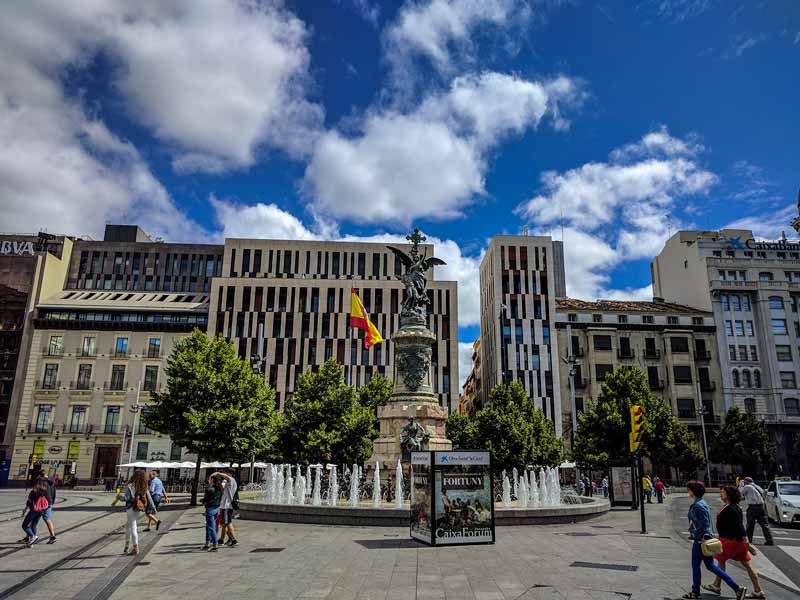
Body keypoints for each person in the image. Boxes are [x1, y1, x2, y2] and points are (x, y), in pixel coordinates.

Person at [683, 480, 747, 600]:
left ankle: (695, 592)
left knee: (696, 566)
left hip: (701, 539)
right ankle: (737, 588)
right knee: (711, 566)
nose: (688, 491)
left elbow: (704, 523)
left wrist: (696, 534)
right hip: (704, 537)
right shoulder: (701, 503)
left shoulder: (698, 505)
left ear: (693, 491)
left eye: (689, 489)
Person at [704, 486, 765, 599]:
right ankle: (758, 590)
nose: (721, 494)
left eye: (723, 493)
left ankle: (717, 585)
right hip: (734, 541)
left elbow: (739, 526)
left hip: (730, 541)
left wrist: (745, 540)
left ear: (729, 495)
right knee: (746, 565)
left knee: (721, 561)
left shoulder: (732, 508)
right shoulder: (732, 507)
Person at [118, 470, 155, 555]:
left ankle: (135, 548)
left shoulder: (131, 485)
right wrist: (153, 507)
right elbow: (149, 497)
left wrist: (119, 496)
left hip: (130, 508)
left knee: (133, 527)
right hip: (138, 508)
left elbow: (126, 498)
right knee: (128, 526)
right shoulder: (144, 486)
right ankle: (126, 546)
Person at [741, 477, 774, 546]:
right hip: (761, 506)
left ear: (746, 482)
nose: (744, 482)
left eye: (744, 481)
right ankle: (769, 540)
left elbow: (741, 493)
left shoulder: (747, 486)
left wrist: (741, 485)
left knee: (750, 524)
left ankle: (749, 540)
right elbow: (763, 494)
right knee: (765, 525)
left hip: (753, 507)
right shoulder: (757, 486)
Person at [211, 470, 239, 547]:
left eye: (227, 474)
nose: (225, 476)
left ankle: (233, 540)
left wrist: (217, 473)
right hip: (224, 506)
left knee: (227, 523)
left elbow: (226, 476)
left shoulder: (231, 480)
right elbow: (224, 491)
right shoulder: (229, 482)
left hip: (227, 506)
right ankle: (221, 539)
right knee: (224, 524)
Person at [20, 477, 50, 547]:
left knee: (24, 526)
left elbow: (29, 502)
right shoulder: (44, 491)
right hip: (40, 511)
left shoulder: (33, 492)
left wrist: (25, 510)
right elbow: (48, 501)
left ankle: (33, 537)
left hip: (33, 511)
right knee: (33, 525)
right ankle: (31, 542)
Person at [202, 475, 223, 551]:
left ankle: (215, 545)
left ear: (212, 480)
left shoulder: (209, 489)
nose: (208, 480)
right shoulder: (220, 489)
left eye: (210, 479)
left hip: (210, 509)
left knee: (211, 527)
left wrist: (203, 501)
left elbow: (205, 499)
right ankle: (207, 543)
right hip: (217, 508)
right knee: (209, 526)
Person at [41, 472, 57, 543]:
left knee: (32, 519)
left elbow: (40, 493)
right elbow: (54, 493)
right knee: (48, 519)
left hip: (42, 503)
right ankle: (52, 536)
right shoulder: (52, 482)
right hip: (49, 502)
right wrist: (52, 501)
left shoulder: (43, 482)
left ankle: (29, 536)